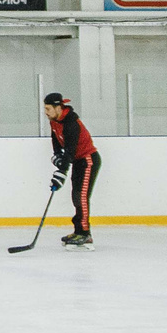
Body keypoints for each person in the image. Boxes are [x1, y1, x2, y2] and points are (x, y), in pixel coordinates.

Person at [44, 92, 100, 248]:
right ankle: (78, 231)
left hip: (88, 160)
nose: (46, 112)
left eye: (48, 109)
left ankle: (85, 234)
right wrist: (56, 156)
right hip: (77, 161)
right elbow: (55, 140)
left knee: (80, 196)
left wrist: (61, 172)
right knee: (75, 195)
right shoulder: (54, 120)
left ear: (58, 107)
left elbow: (70, 150)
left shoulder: (71, 124)